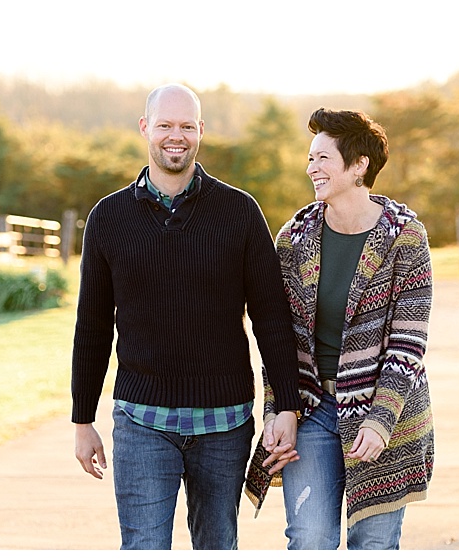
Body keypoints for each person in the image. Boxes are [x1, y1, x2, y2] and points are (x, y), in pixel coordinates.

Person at [71, 83, 302, 550]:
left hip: (224, 421)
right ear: (144, 128)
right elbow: (93, 326)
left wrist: (289, 406)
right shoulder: (108, 218)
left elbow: (271, 317)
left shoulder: (239, 211)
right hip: (141, 421)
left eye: (186, 126)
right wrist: (82, 418)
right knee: (144, 548)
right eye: (164, 125)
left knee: (217, 546)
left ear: (201, 131)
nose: (175, 136)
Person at [245, 108, 436, 550]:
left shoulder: (404, 237)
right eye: (309, 158)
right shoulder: (296, 237)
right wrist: (279, 411)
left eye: (323, 158)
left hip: (385, 415)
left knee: (374, 543)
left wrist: (381, 421)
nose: (311, 168)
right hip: (312, 409)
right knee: (310, 537)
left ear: (358, 166)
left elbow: (407, 346)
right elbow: (279, 337)